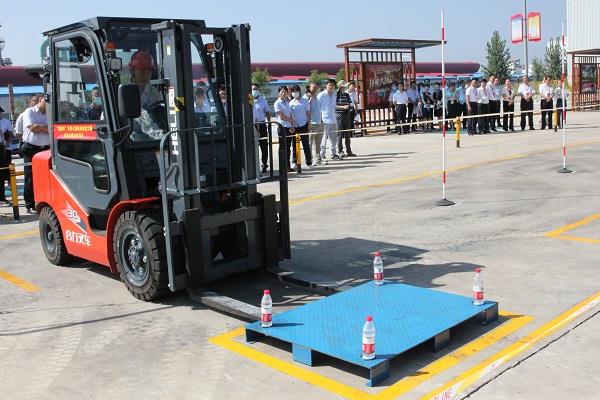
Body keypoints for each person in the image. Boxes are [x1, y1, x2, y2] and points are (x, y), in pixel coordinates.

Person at [21, 94, 50, 213]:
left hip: (46, 149)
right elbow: (33, 128)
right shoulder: (30, 111)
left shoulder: (50, 112)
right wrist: (47, 128)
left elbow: (54, 128)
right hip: (31, 149)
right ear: (40, 99)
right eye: (46, 100)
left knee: (46, 177)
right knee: (30, 177)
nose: (48, 103)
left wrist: (42, 128)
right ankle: (30, 204)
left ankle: (43, 201)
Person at [289, 84, 312, 170]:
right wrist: (291, 126)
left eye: (296, 91)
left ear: (299, 92)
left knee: (306, 144)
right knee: (294, 145)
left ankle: (309, 162)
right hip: (294, 126)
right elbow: (290, 115)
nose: (295, 93)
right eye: (293, 91)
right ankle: (295, 162)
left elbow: (308, 113)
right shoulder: (291, 103)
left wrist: (309, 124)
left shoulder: (305, 101)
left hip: (304, 125)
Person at [273, 86, 295, 171]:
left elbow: (290, 114)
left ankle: (287, 166)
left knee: (288, 147)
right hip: (282, 127)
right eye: (282, 92)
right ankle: (282, 166)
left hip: (288, 127)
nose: (283, 93)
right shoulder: (277, 103)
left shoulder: (287, 102)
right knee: (283, 148)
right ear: (278, 93)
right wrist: (291, 120)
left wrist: (292, 125)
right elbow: (281, 116)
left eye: (285, 92)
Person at [317, 79, 339, 160]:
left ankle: (333, 154)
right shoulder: (321, 95)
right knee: (323, 139)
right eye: (329, 85)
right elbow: (317, 107)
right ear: (326, 86)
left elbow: (334, 106)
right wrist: (319, 119)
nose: (331, 86)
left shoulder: (334, 94)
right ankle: (322, 155)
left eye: (333, 85)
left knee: (334, 139)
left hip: (333, 119)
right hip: (324, 120)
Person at [251, 83, 271, 173]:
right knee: (253, 147)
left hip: (262, 124)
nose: (254, 91)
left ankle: (264, 164)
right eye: (253, 89)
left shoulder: (263, 100)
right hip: (253, 125)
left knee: (264, 146)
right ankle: (254, 166)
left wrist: (269, 123)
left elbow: (267, 112)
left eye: (256, 89)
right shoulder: (249, 99)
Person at [335, 80, 355, 157]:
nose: (345, 87)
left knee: (347, 133)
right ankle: (340, 151)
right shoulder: (336, 95)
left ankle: (349, 151)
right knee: (340, 134)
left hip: (347, 114)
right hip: (339, 114)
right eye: (343, 86)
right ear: (340, 86)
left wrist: (349, 108)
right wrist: (343, 107)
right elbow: (334, 106)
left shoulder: (347, 95)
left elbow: (350, 103)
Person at [305, 83, 323, 165]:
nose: (315, 89)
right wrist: (309, 99)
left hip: (319, 122)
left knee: (318, 143)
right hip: (312, 123)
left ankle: (318, 159)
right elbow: (306, 109)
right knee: (310, 143)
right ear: (309, 87)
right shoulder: (306, 97)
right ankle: (310, 160)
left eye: (316, 87)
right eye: (314, 87)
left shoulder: (317, 97)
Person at [0, 107, 13, 204]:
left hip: (2, 147)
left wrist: (7, 142)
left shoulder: (5, 122)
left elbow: (9, 133)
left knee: (2, 172)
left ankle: (1, 197)